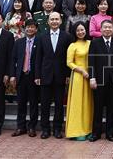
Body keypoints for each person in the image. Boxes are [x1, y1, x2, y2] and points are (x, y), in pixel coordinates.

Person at [35, 11, 71, 139]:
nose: (54, 21)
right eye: (52, 19)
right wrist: (37, 76)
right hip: (45, 75)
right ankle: (45, 129)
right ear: (48, 21)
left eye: (57, 19)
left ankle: (57, 129)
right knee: (44, 104)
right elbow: (38, 57)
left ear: (61, 21)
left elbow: (69, 58)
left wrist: (68, 75)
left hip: (61, 76)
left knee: (59, 105)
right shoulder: (41, 36)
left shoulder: (67, 37)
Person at [88, 20, 113, 142]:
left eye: (110, 27)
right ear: (101, 29)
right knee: (97, 108)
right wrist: (92, 77)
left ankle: (110, 133)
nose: (107, 29)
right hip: (99, 80)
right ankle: (96, 133)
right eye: (105, 27)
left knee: (112, 108)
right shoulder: (95, 43)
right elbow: (91, 61)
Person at [10, 19, 40, 137]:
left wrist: (38, 76)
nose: (30, 29)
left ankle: (32, 127)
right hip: (21, 76)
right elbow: (13, 60)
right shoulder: (19, 42)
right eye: (28, 27)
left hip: (33, 76)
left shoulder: (40, 41)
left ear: (36, 29)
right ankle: (20, 127)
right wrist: (13, 75)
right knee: (21, 103)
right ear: (24, 28)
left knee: (33, 103)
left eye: (32, 27)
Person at [65, 21, 93, 140]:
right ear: (74, 32)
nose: (80, 32)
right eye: (78, 30)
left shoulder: (91, 43)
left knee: (88, 103)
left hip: (90, 77)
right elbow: (69, 62)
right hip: (78, 77)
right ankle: (76, 131)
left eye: (82, 30)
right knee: (77, 103)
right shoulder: (73, 45)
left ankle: (88, 130)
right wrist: (81, 70)